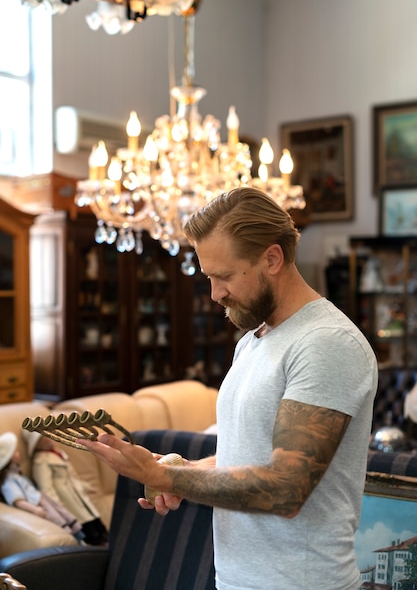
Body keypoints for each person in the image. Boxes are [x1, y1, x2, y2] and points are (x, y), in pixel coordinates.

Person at [81, 187, 378, 590]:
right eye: (209, 277)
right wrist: (182, 469)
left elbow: (286, 490)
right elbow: (248, 455)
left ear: (272, 258)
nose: (215, 293)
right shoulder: (252, 342)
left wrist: (165, 478)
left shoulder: (326, 343)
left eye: (223, 276)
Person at [21, 429, 108, 546]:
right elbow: (46, 487)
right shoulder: (41, 460)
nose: (48, 439)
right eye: (43, 439)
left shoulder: (59, 453)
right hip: (67, 500)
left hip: (78, 495)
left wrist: (86, 486)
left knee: (96, 522)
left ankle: (104, 540)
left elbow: (73, 476)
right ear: (36, 444)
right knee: (87, 528)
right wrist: (57, 504)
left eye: (48, 435)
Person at [0, 432, 85, 543]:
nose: (18, 453)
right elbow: (18, 501)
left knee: (62, 515)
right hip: (37, 504)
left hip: (41, 498)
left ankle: (79, 538)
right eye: (14, 453)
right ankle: (74, 541)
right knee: (57, 521)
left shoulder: (16, 474)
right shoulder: (8, 482)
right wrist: (35, 509)